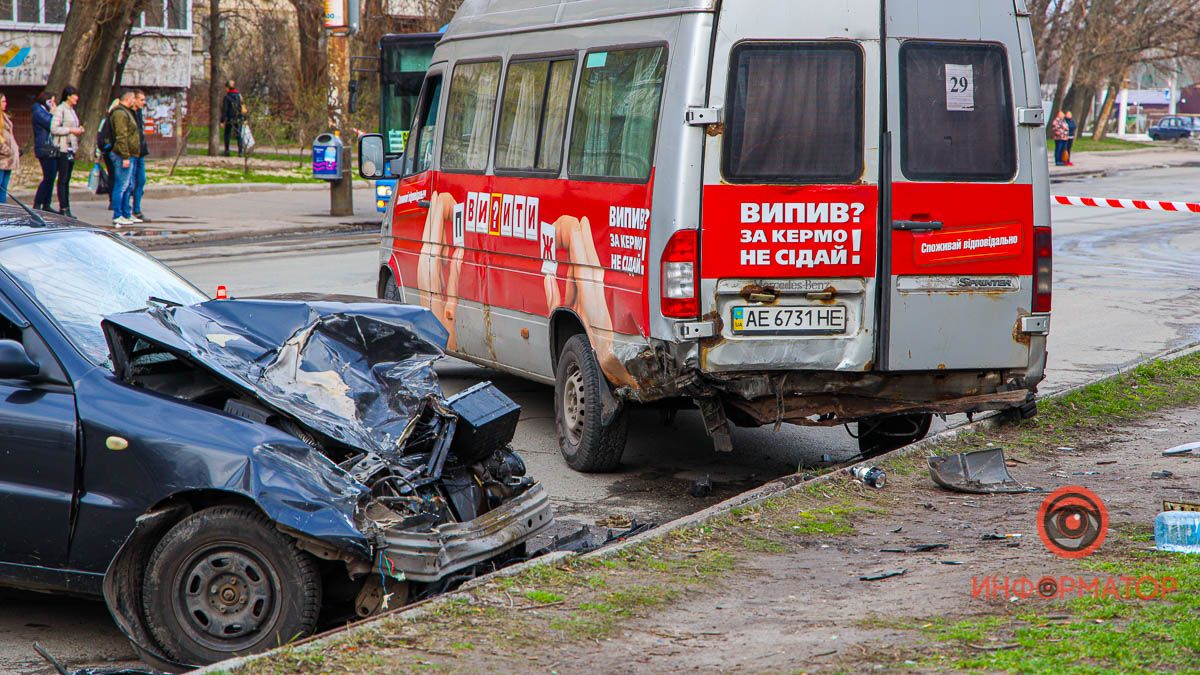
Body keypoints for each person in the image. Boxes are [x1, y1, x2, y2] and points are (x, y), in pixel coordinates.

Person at [50, 85, 85, 218]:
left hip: (71, 148)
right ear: (68, 96)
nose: (77, 98)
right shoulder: (61, 109)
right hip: (63, 148)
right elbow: (54, 128)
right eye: (75, 95)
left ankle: (66, 206)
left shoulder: (71, 110)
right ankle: (63, 207)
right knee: (63, 179)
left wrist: (78, 130)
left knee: (67, 178)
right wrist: (70, 130)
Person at [109, 90, 141, 227]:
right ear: (128, 98)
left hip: (130, 154)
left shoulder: (127, 112)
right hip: (122, 155)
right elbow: (121, 136)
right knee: (121, 185)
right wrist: (125, 156)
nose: (135, 100)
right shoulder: (120, 113)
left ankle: (126, 213)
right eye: (134, 98)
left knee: (127, 185)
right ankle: (117, 214)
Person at [32, 91, 58, 211]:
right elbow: (50, 123)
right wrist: (53, 113)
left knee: (52, 175)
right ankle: (38, 202)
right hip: (44, 146)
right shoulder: (38, 110)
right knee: (48, 175)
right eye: (51, 102)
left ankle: (46, 203)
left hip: (51, 146)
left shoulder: (44, 111)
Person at [131, 89, 150, 223]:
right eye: (142, 100)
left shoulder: (139, 113)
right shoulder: (129, 112)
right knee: (128, 183)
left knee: (141, 180)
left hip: (140, 152)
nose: (144, 102)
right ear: (135, 99)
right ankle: (125, 212)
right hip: (131, 153)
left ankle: (136, 209)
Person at [0, 94, 19, 204]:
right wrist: (7, 150)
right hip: (2, 158)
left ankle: (3, 209)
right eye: (3, 101)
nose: (5, 104)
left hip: (8, 159)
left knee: (4, 187)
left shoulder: (4, 116)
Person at [221, 80, 245, 157]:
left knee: (227, 134)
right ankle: (240, 151)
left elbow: (225, 110)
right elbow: (243, 108)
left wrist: (222, 120)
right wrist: (244, 118)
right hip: (238, 118)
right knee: (239, 135)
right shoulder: (239, 96)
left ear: (227, 88)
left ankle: (227, 151)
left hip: (229, 118)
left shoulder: (227, 97)